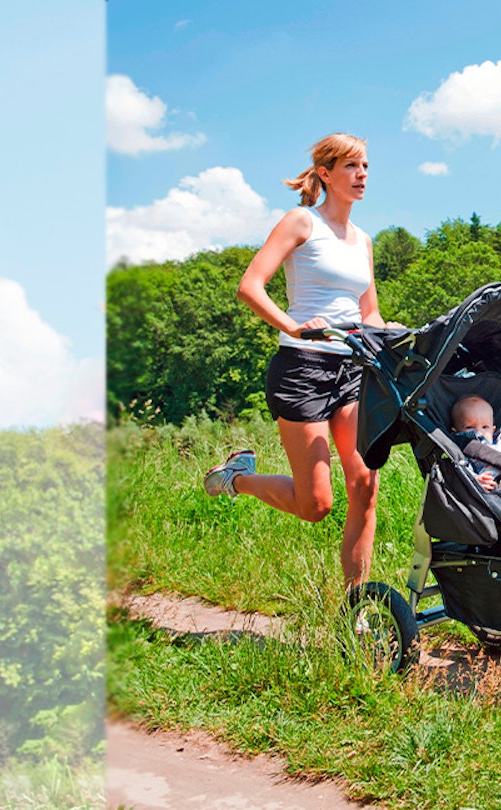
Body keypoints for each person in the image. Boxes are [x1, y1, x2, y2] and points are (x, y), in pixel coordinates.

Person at [203, 133, 397, 587]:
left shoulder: (362, 240)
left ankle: (358, 608)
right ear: (326, 174)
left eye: (366, 166)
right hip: (302, 370)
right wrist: (292, 326)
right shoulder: (301, 222)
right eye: (351, 166)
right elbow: (250, 286)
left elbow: (369, 313)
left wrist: (409, 338)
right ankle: (238, 478)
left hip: (351, 370)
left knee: (365, 485)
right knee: (317, 506)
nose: (362, 174)